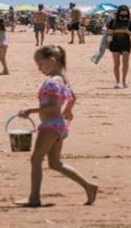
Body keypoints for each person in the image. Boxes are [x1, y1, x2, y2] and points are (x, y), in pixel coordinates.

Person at [16, 45, 98, 207]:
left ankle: (34, 198)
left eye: (40, 64)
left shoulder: (53, 81)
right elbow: (73, 97)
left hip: (50, 126)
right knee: (55, 163)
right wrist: (68, 110)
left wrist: (30, 110)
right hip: (59, 126)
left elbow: (53, 107)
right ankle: (88, 186)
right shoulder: (63, 78)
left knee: (36, 159)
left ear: (52, 61)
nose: (39, 68)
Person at [106, 5, 131, 88]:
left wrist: (127, 32)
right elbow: (107, 32)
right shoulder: (113, 21)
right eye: (122, 11)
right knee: (116, 64)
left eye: (125, 11)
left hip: (126, 43)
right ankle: (117, 82)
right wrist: (118, 31)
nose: (123, 13)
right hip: (115, 43)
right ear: (119, 11)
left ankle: (124, 80)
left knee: (125, 63)